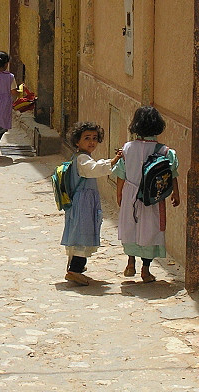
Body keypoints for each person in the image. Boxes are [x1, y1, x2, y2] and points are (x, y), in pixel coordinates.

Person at [113, 106, 180, 283]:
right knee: (151, 230)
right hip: (153, 198)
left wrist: (119, 193)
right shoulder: (165, 151)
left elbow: (121, 174)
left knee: (131, 227)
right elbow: (172, 173)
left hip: (131, 194)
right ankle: (145, 270)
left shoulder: (127, 148)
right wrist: (176, 193)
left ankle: (130, 262)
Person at [62, 122, 123, 286]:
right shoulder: (82, 159)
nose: (92, 142)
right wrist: (114, 160)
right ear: (77, 141)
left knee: (80, 232)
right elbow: (94, 169)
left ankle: (77, 269)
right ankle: (75, 270)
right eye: (87, 138)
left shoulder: (80, 157)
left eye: (95, 138)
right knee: (83, 233)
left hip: (83, 201)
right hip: (83, 202)